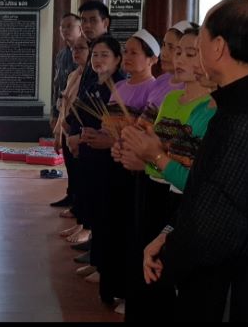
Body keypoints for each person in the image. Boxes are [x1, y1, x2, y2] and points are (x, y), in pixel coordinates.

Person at [142, 0, 248, 322]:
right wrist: (170, 233)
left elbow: (216, 224)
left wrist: (170, 253)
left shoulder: (245, 119)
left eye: (199, 39)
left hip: (239, 289)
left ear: (217, 47)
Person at [113, 25, 217, 321]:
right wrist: (132, 150)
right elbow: (155, 147)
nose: (178, 59)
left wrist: (149, 158)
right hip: (155, 190)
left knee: (166, 279)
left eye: (189, 53)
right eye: (176, 51)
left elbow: (180, 164)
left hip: (176, 196)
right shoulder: (171, 99)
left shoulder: (209, 109)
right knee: (145, 262)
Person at [72, 36, 130, 307]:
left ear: (118, 59)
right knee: (95, 210)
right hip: (90, 155)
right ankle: (97, 262)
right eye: (95, 54)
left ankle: (105, 268)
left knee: (108, 216)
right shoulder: (93, 83)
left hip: (110, 160)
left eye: (104, 55)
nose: (98, 60)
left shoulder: (119, 86)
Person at [55, 37, 91, 242]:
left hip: (80, 131)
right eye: (73, 49)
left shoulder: (90, 76)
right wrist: (58, 131)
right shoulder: (73, 75)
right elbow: (64, 104)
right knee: (73, 171)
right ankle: (78, 213)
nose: (76, 52)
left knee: (83, 177)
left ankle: (85, 223)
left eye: (81, 48)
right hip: (68, 128)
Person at [50, 13, 85, 208]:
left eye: (69, 26)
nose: (64, 30)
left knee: (77, 161)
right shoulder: (62, 55)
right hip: (63, 111)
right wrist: (55, 114)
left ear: (80, 29)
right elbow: (58, 86)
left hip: (77, 116)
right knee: (68, 159)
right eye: (62, 27)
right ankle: (71, 194)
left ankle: (78, 200)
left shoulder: (87, 56)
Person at [147, 20, 194, 110]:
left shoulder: (190, 87)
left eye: (171, 47)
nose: (163, 53)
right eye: (163, 45)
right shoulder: (160, 80)